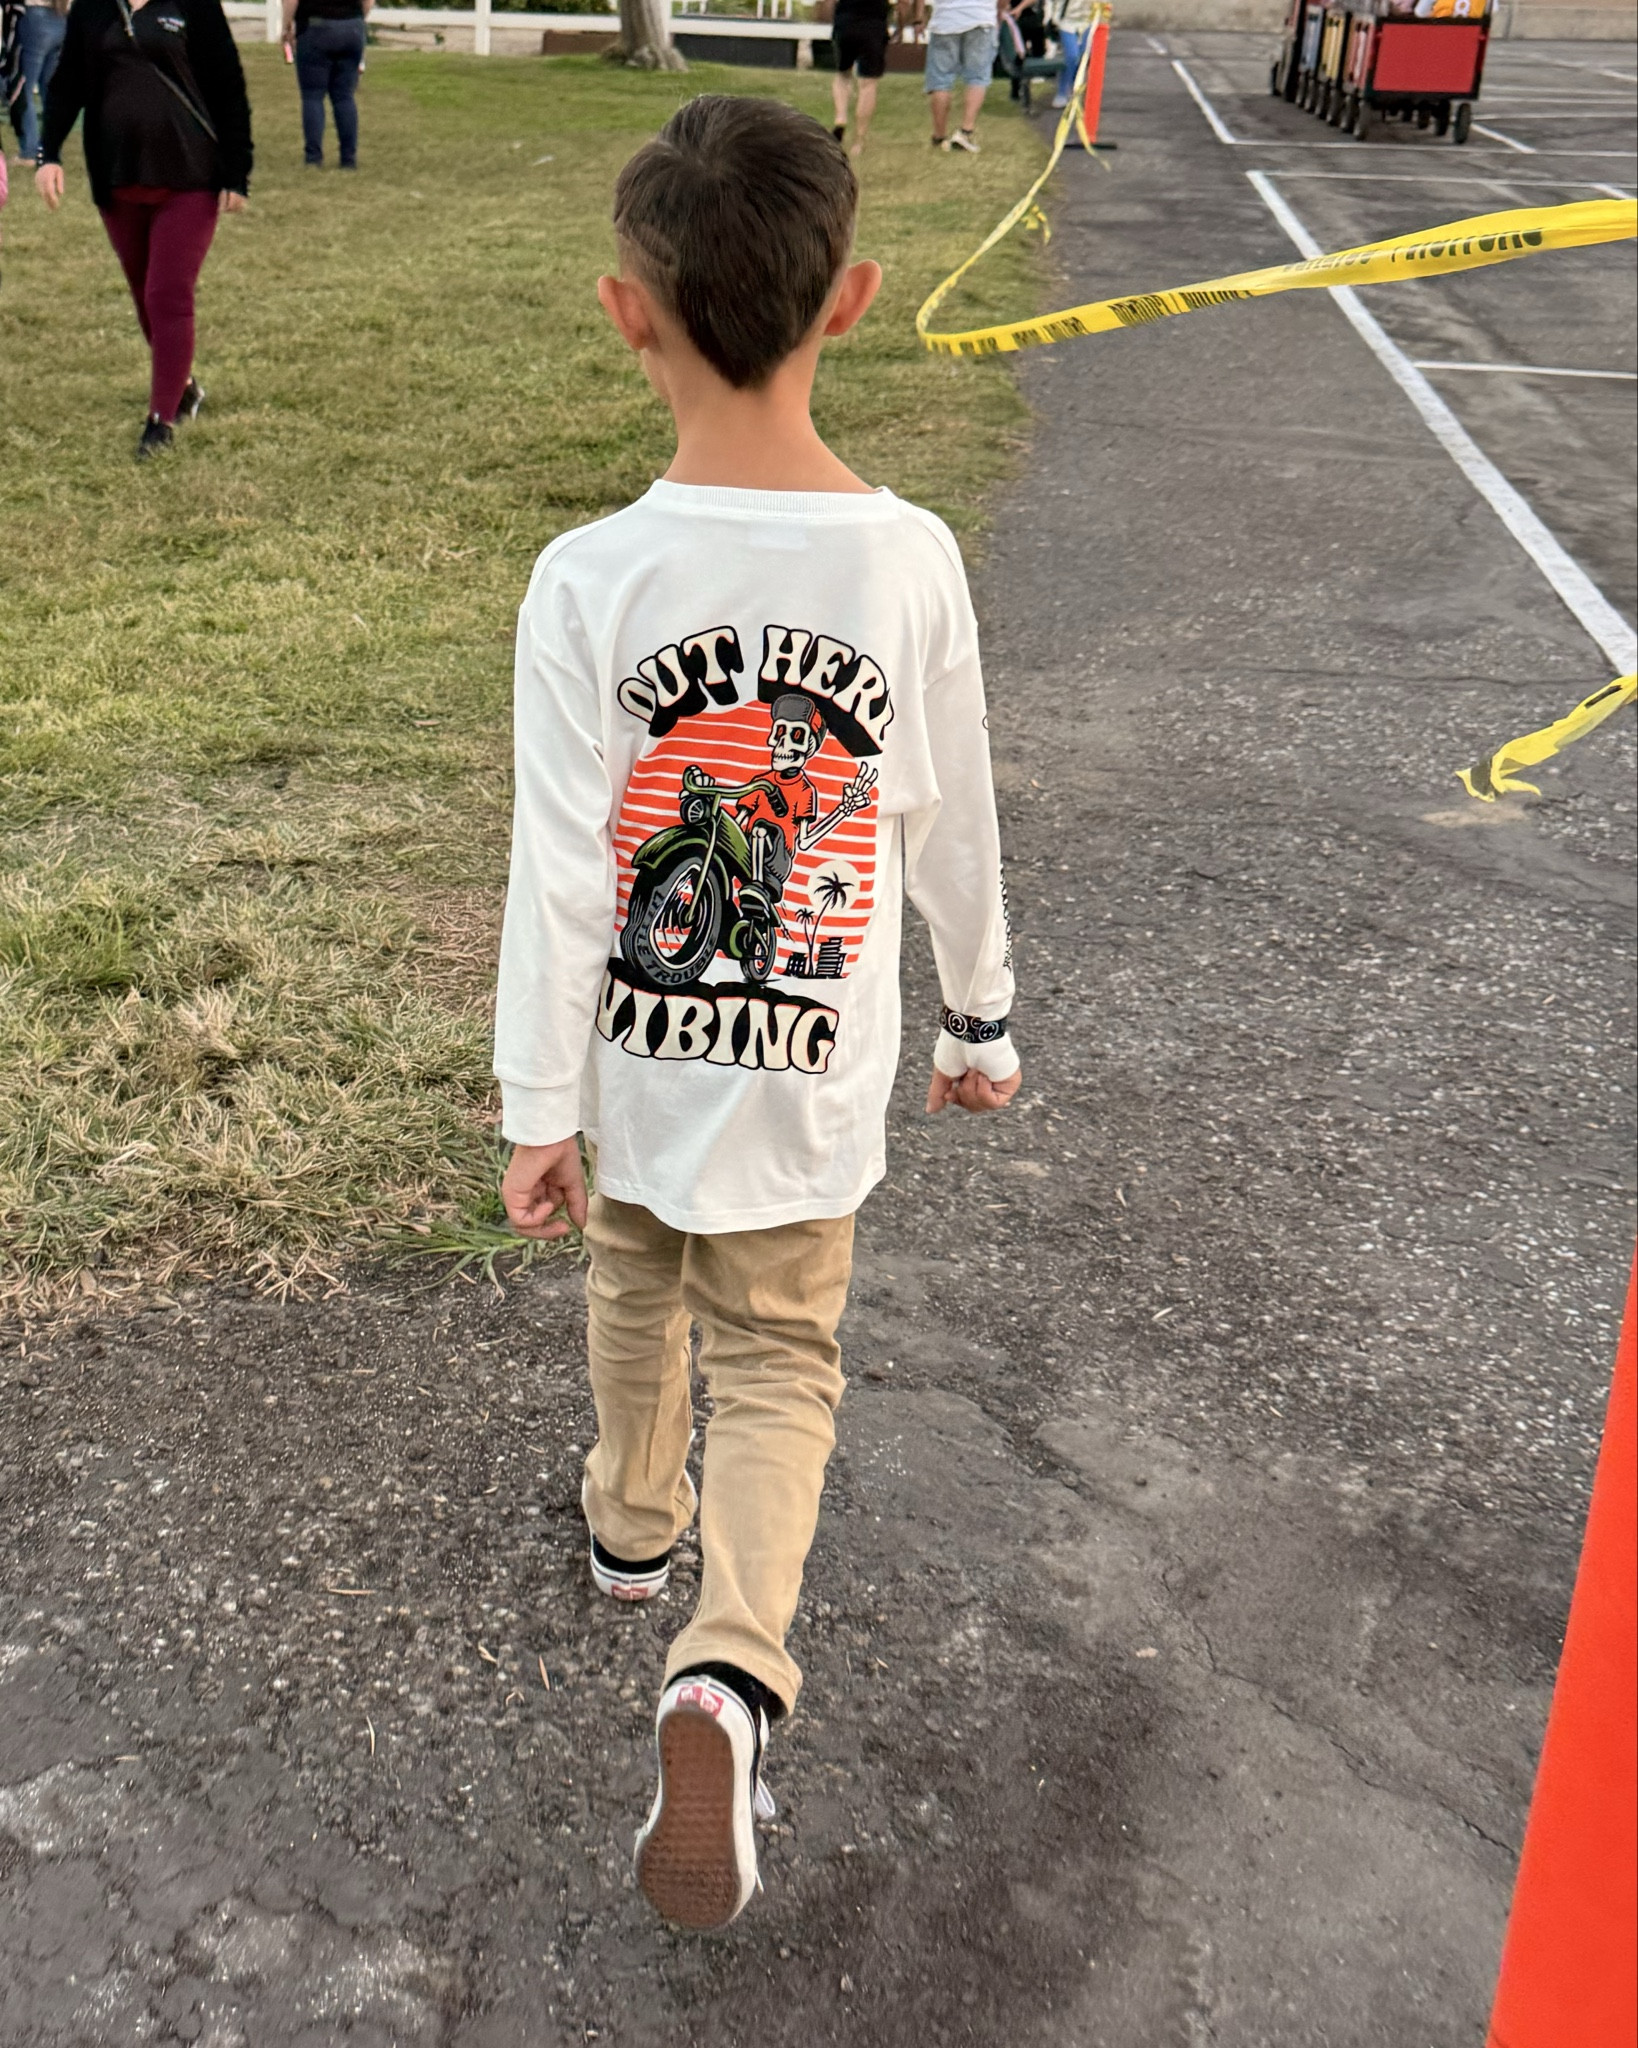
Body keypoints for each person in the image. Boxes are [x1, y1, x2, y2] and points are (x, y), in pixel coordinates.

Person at [494, 94, 1020, 1933]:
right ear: (854, 298)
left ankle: (633, 1529)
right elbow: (944, 802)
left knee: (633, 1284)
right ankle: (724, 1669)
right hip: (812, 1083)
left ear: (623, 311)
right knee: (782, 1358)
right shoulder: (908, 558)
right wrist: (980, 1015)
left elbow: (564, 872)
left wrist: (532, 1104)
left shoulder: (587, 578)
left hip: (637, 1072)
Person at [36, 0, 252, 459]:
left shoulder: (194, 5)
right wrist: (48, 153)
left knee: (166, 294)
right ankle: (183, 385)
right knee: (142, 294)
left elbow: (227, 85)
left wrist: (238, 171)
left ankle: (161, 421)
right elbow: (67, 81)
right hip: (118, 176)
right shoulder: (93, 9)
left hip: (190, 175)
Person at [282, 0, 368, 172]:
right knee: (344, 96)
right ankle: (348, 158)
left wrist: (287, 25)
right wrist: (357, 19)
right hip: (352, 26)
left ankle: (313, 157)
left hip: (315, 26)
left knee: (313, 96)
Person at [910, 0, 1002, 153]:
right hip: (981, 17)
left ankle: (939, 135)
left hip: (945, 20)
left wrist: (919, 18)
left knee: (940, 80)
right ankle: (965, 131)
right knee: (977, 78)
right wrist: (999, 12)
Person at [6, 0, 67, 166]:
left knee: (23, 89)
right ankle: (50, 148)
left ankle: (30, 151)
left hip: (33, 17)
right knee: (51, 93)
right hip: (59, 17)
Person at [829, 0, 887, 159]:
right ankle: (858, 141)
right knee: (868, 83)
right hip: (874, 24)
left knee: (842, 75)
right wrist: (903, 24)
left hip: (845, 21)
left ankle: (840, 118)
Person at [1046, 0, 1092, 111]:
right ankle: (1062, 92)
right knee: (1072, 56)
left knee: (1083, 59)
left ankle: (1074, 90)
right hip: (1067, 22)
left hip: (1087, 22)